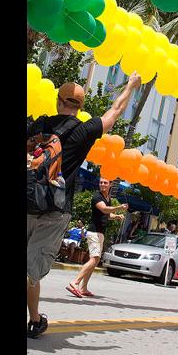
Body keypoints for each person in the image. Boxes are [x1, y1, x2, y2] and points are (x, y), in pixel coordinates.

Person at [26, 73, 141, 339]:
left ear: (58, 101)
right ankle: (35, 321)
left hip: (28, 201)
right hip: (55, 209)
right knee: (32, 271)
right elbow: (116, 110)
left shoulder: (39, 125)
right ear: (79, 107)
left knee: (30, 270)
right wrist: (131, 85)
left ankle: (35, 319)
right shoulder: (84, 130)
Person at [66, 178, 127, 298]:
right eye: (101, 182)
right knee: (94, 259)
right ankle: (75, 282)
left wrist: (117, 216)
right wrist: (120, 207)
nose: (102, 184)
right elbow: (104, 209)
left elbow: (107, 214)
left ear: (110, 184)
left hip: (100, 233)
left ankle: (83, 288)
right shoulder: (97, 197)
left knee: (95, 261)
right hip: (94, 233)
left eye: (105, 182)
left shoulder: (108, 198)